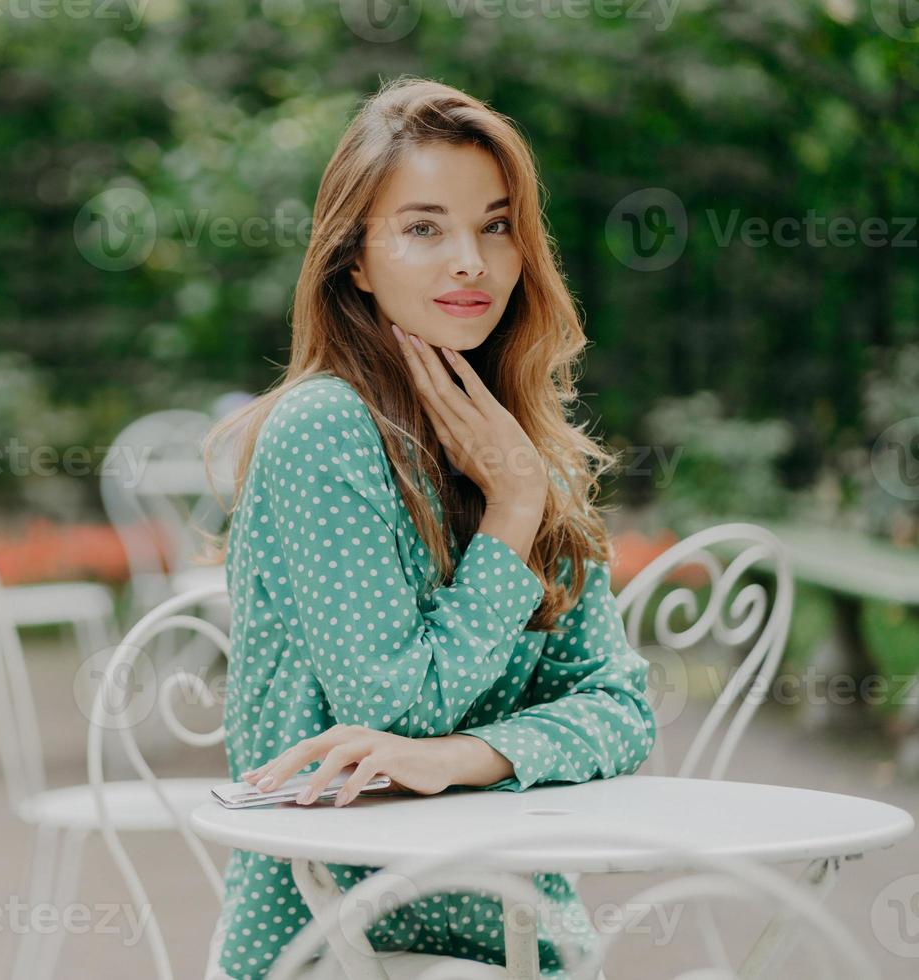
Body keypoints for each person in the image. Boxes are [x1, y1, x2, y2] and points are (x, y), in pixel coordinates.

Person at [199, 75, 657, 979]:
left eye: (495, 226)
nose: (471, 262)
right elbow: (391, 708)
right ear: (355, 261)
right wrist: (513, 515)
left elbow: (620, 708)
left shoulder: (531, 449)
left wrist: (460, 758)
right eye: (423, 227)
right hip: (341, 936)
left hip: (524, 931)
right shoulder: (324, 431)